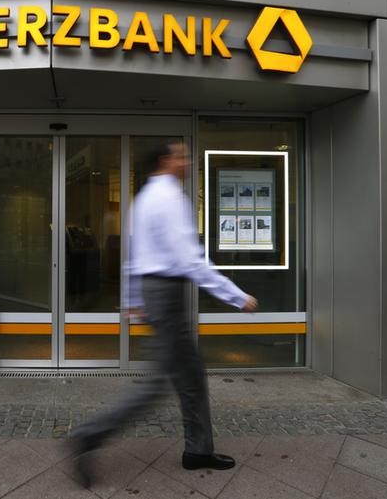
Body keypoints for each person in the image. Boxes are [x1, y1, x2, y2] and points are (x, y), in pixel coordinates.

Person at [70, 142, 258, 487]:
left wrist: (133, 299)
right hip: (167, 294)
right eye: (182, 156)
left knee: (191, 375)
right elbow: (189, 259)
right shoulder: (169, 199)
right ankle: (89, 435)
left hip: (156, 291)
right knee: (156, 385)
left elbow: (133, 255)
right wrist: (235, 296)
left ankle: (198, 450)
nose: (187, 161)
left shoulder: (144, 198)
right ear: (165, 161)